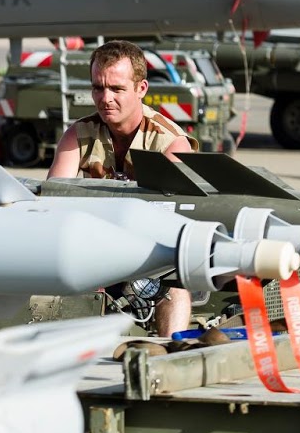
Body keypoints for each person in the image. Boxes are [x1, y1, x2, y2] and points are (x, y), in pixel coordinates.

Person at [47, 39, 194, 336]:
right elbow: (54, 198)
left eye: (117, 89)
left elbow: (173, 219)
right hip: (91, 244)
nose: (105, 99)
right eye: (98, 88)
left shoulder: (170, 143)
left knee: (174, 284)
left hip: (150, 253)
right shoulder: (79, 134)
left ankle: (170, 347)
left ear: (141, 89)